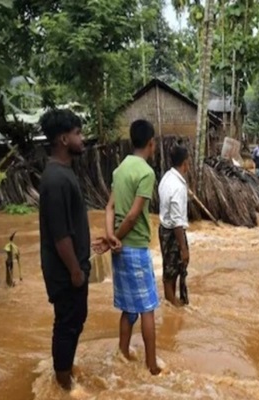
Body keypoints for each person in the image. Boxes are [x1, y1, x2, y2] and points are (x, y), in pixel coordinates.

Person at [38, 108, 108, 390]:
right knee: (67, 324)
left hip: (69, 268)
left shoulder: (63, 174)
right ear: (64, 139)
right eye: (78, 133)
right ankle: (63, 384)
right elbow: (60, 235)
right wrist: (75, 270)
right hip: (65, 272)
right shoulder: (55, 179)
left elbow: (68, 228)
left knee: (73, 321)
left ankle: (64, 374)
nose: (83, 139)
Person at [105, 119, 161, 375]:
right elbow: (133, 216)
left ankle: (124, 354)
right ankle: (152, 367)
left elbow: (110, 208)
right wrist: (115, 238)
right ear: (151, 144)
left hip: (118, 250)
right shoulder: (146, 173)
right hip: (135, 248)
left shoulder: (120, 170)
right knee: (147, 308)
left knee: (129, 308)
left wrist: (110, 239)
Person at [158, 145, 191, 307]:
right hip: (173, 232)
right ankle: (172, 304)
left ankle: (171, 303)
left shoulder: (166, 178)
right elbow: (177, 221)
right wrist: (183, 248)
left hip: (164, 229)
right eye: (188, 163)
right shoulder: (177, 186)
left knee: (170, 268)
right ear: (184, 163)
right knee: (172, 271)